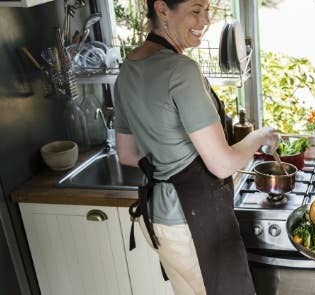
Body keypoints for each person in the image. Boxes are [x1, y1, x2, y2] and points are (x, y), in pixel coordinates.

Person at [113, 0, 278, 294]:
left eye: (207, 11)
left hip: (161, 222)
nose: (205, 20)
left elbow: (127, 154)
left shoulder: (128, 69)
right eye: (195, 10)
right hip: (193, 222)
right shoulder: (181, 69)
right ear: (163, 9)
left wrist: (166, 155)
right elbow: (222, 164)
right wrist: (260, 136)